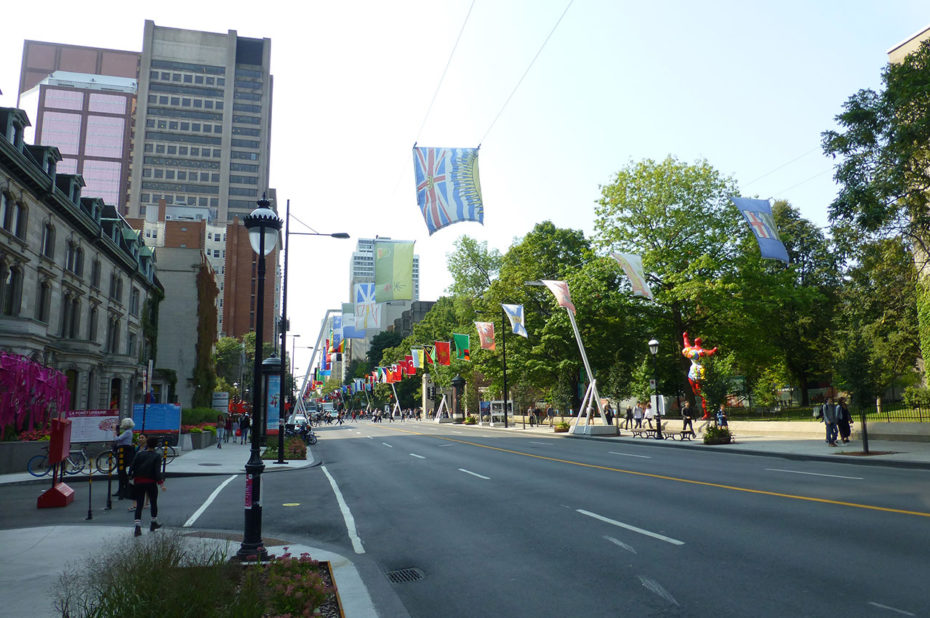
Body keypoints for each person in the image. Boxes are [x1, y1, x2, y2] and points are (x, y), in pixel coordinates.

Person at [129, 436, 166, 537]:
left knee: (139, 505)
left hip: (138, 482)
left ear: (146, 444)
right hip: (150, 482)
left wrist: (131, 476)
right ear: (156, 446)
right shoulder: (157, 456)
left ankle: (137, 527)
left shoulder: (139, 454)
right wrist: (161, 483)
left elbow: (132, 467)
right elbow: (157, 472)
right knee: (153, 502)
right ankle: (153, 523)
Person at [114, 418, 135, 500]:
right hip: (123, 452)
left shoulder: (128, 432)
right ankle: (122, 489)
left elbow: (117, 439)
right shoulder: (128, 432)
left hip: (124, 453)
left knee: (121, 471)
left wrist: (114, 431)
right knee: (121, 471)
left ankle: (124, 489)